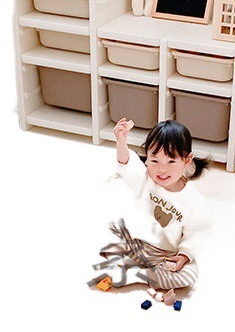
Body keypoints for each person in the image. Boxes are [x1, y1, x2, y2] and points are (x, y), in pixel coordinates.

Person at [91, 118, 212, 305]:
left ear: (187, 161)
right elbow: (126, 163)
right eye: (154, 160)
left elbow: (198, 231)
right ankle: (127, 261)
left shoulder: (192, 200)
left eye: (171, 161)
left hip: (165, 254)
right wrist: (121, 140)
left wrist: (183, 256)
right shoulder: (145, 178)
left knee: (189, 276)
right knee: (107, 232)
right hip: (138, 243)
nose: (162, 169)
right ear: (146, 158)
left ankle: (138, 275)